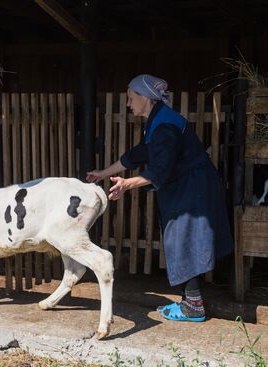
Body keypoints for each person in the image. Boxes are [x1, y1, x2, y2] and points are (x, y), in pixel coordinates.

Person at [86, 74, 233, 322]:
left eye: (132, 99)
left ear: (145, 98)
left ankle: (193, 308)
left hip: (193, 187)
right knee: (182, 238)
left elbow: (160, 170)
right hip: (187, 186)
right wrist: (104, 173)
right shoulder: (159, 119)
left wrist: (127, 183)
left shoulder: (165, 126)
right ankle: (190, 303)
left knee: (184, 239)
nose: (129, 104)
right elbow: (139, 154)